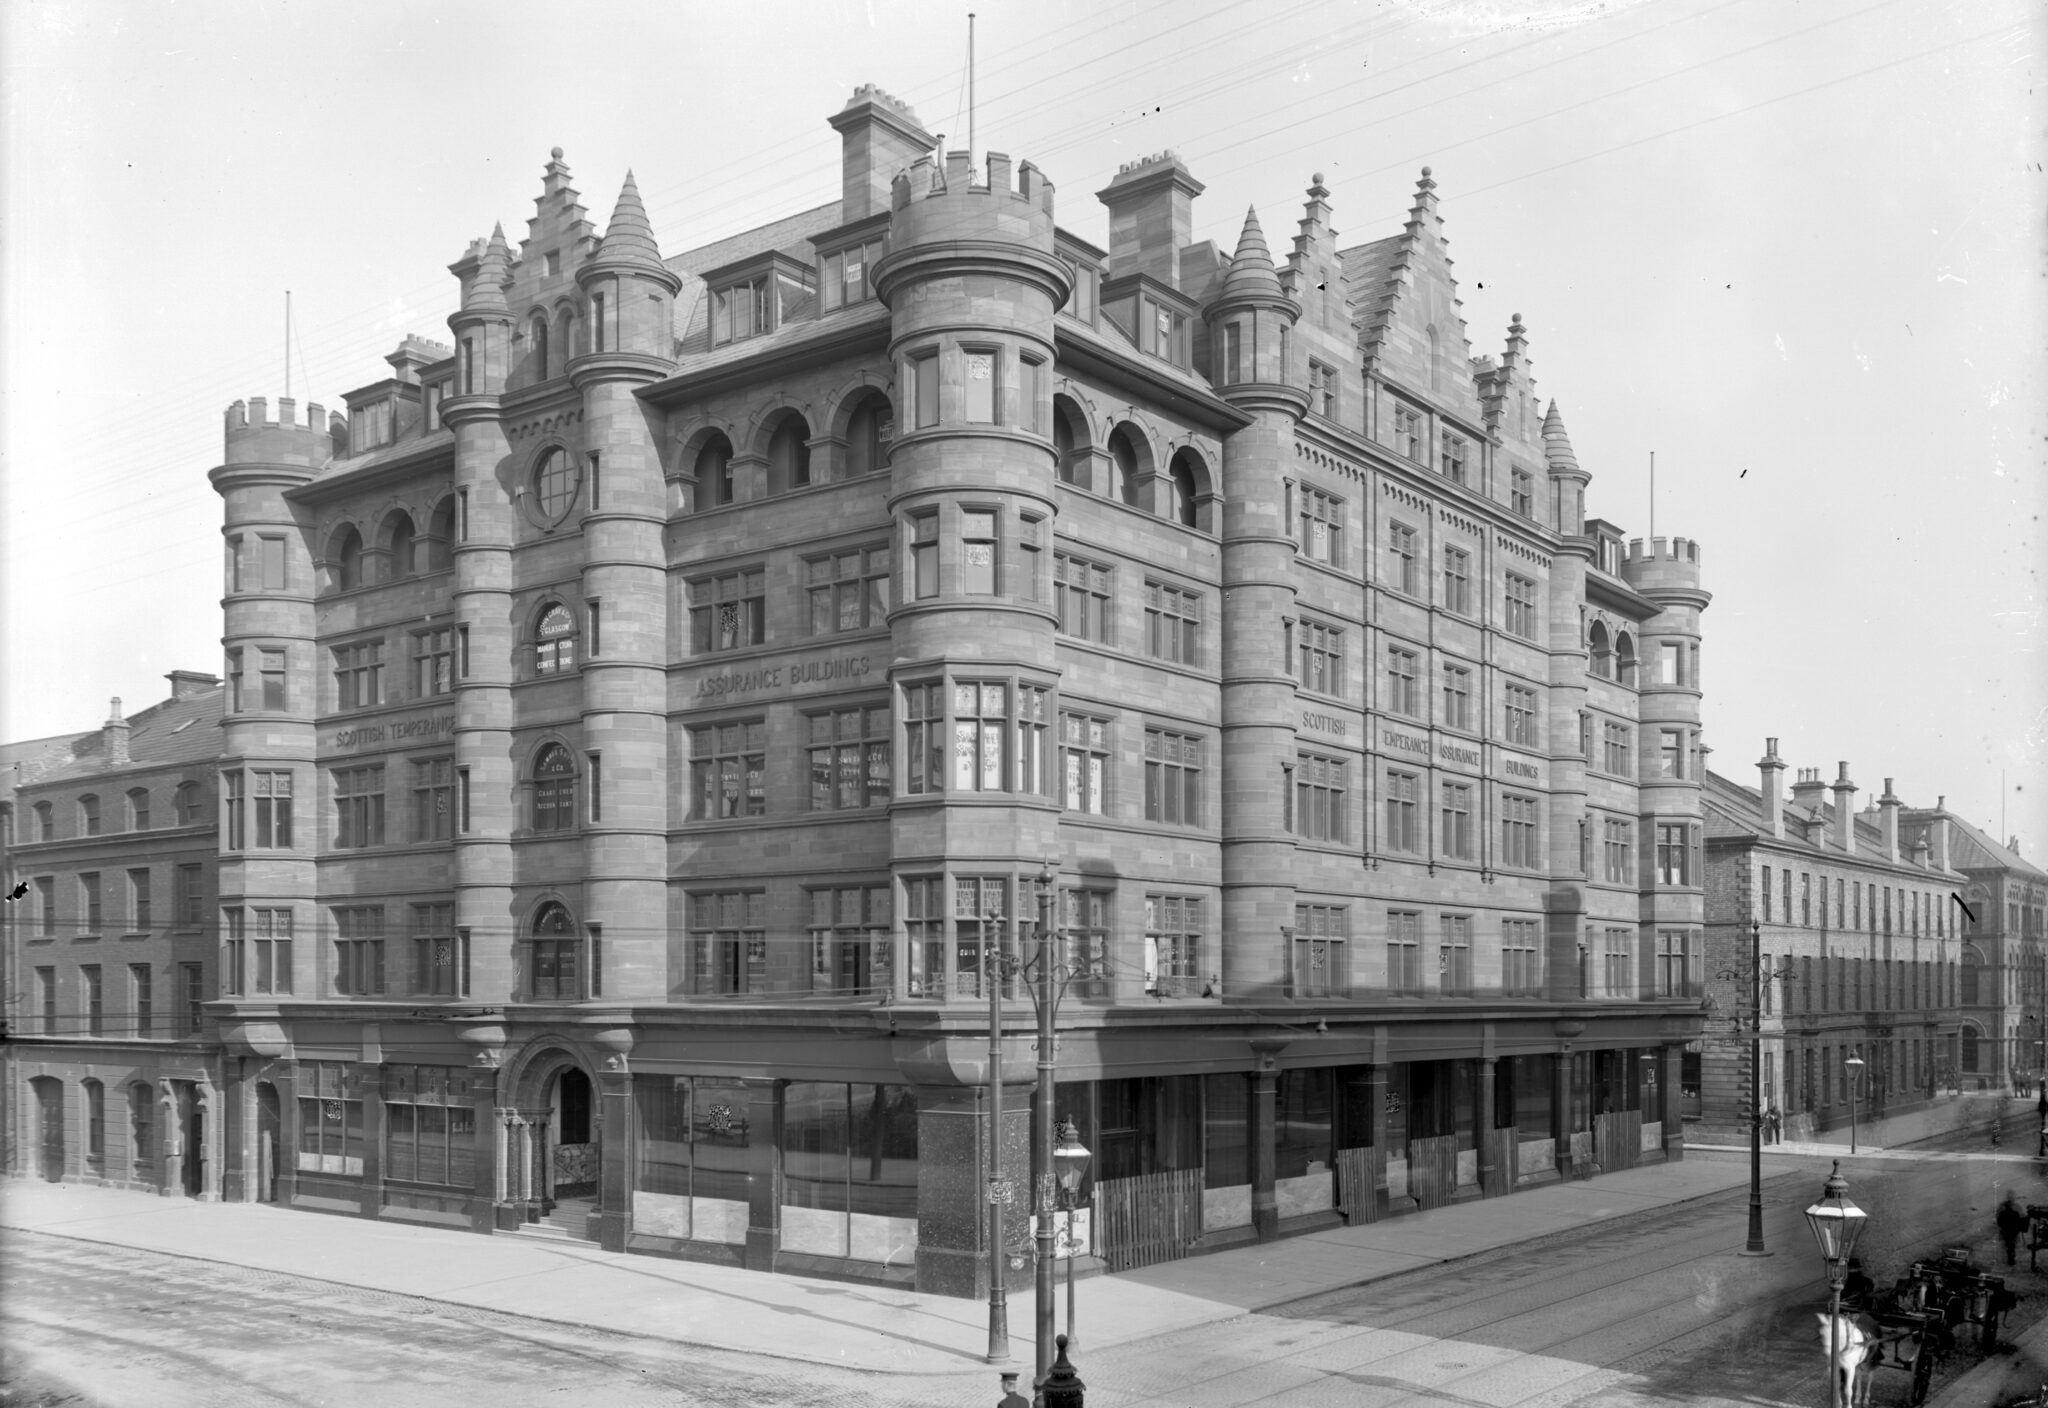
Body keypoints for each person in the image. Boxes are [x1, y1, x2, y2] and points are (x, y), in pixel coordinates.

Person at [1998, 1191, 2029, 1267]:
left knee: (2008, 1245)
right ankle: (2011, 1259)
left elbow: (1999, 1221)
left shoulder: (2002, 1213)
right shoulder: (2015, 1213)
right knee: (2012, 1246)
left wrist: (2003, 1228)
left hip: (2006, 1232)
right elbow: (2019, 1221)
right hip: (2013, 1232)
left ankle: (2010, 1258)